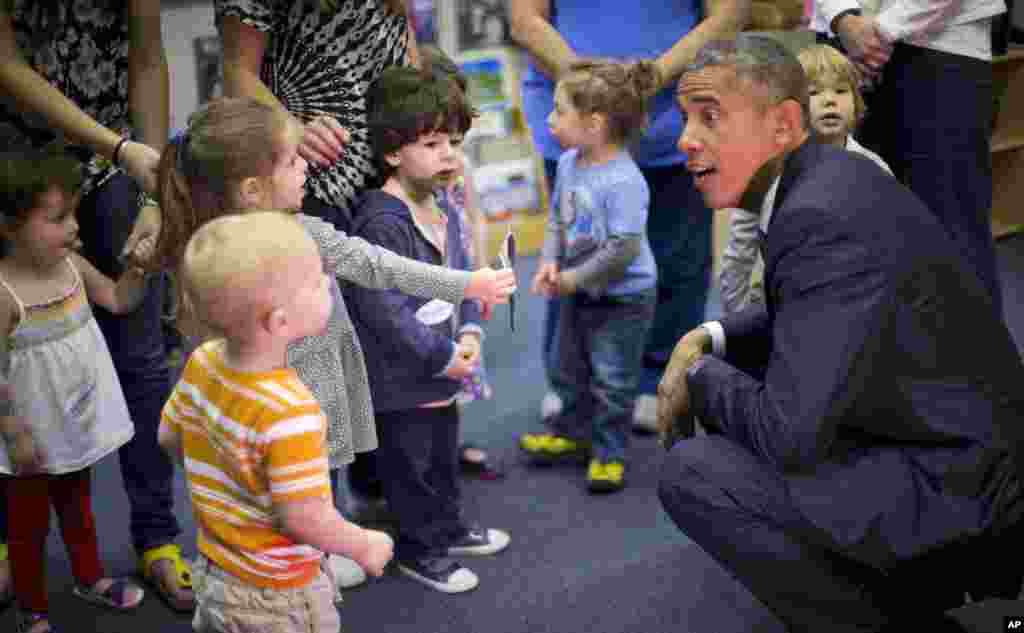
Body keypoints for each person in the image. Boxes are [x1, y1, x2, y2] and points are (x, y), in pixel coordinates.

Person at [656, 35, 1024, 633]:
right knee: (740, 377)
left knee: (693, 470)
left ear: (783, 125)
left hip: (964, 487)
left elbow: (787, 433)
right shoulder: (830, 175)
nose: (685, 140)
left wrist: (697, 377)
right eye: (685, 119)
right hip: (959, 446)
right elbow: (806, 307)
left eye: (711, 117)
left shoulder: (817, 214)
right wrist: (706, 337)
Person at [150, 96, 514, 595]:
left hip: (319, 377)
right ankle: (313, 554)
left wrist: (464, 285)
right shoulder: (248, 260)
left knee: (321, 470)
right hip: (293, 393)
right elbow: (375, 266)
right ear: (254, 188)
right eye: (295, 160)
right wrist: (466, 284)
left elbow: (375, 263)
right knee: (296, 473)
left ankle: (322, 546)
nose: (309, 168)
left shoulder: (269, 235)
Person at [0, 0, 192, 612]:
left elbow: (147, 57)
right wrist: (117, 148)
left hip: (115, 159)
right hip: (16, 166)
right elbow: (6, 65)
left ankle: (158, 537)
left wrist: (156, 197)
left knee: (142, 361)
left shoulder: (80, 246)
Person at [510, 0, 750, 432]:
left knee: (678, 261)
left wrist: (658, 73)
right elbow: (525, 20)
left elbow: (729, 13)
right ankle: (573, 387)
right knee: (573, 259)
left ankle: (658, 380)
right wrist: (591, 84)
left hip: (676, 117)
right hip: (577, 123)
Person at [159, 212, 395, 633]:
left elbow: (169, 436)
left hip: (216, 571)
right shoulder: (293, 413)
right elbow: (303, 518)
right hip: (278, 596)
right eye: (316, 278)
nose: (328, 281)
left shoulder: (205, 360)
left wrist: (229, 488)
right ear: (280, 322)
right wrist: (363, 543)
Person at [346, 66, 511, 593]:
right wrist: (442, 355)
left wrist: (469, 337)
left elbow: (463, 279)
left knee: (442, 459)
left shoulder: (441, 204)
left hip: (441, 368)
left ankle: (449, 528)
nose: (449, 155)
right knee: (410, 471)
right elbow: (381, 309)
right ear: (393, 151)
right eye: (433, 142)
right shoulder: (381, 220)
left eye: (455, 142)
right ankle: (422, 550)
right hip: (401, 380)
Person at [0, 145, 152, 633]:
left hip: (74, 420)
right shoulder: (4, 293)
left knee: (78, 508)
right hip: (27, 433)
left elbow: (119, 299)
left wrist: (141, 267)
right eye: (58, 217)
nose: (74, 226)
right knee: (26, 528)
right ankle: (34, 609)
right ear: (10, 226)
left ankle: (90, 579)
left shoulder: (73, 268)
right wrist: (14, 432)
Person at [518, 60, 659, 494]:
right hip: (577, 287)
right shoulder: (567, 164)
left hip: (623, 297)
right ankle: (570, 434)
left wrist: (574, 279)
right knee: (569, 368)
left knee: (612, 380)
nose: (549, 119)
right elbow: (558, 223)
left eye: (559, 111)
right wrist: (548, 262)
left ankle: (608, 453)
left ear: (594, 124)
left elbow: (622, 249)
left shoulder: (626, 182)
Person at [821, 0, 1007, 312]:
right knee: (855, 238)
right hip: (847, 46)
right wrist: (842, 18)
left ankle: (975, 359)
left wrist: (876, 31)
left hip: (941, 44)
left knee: (949, 233)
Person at [216, 0, 421, 233]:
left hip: (399, 154)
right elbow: (238, 71)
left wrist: (425, 119)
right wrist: (293, 130)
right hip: (321, 171)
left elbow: (399, 25)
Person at [719, 43, 891, 314]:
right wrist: (738, 321)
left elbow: (892, 247)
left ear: (857, 102)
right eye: (814, 92)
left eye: (841, 90)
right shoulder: (764, 173)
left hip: (855, 304)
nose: (829, 100)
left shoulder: (874, 170)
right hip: (784, 303)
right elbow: (740, 252)